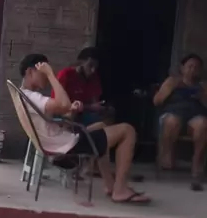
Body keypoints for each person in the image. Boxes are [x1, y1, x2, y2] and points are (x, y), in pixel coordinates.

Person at [20, 53, 150, 204]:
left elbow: (59, 114)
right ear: (30, 72)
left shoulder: (26, 96)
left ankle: (110, 185)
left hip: (61, 139)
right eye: (43, 72)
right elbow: (62, 104)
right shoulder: (33, 97)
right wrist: (51, 75)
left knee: (100, 126)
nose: (46, 76)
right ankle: (120, 190)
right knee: (128, 130)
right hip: (65, 146)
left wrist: (71, 110)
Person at [154, 53, 207, 191]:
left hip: (194, 118)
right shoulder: (172, 81)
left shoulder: (203, 86)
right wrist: (170, 89)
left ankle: (197, 161)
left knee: (203, 123)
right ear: (182, 68)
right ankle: (167, 156)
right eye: (190, 66)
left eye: (196, 67)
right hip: (172, 115)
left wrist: (202, 97)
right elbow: (156, 101)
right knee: (173, 121)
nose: (192, 70)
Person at [56, 46, 113, 128]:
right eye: (90, 65)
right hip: (67, 113)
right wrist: (89, 107)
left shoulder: (94, 78)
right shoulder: (66, 75)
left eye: (95, 67)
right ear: (80, 63)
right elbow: (59, 104)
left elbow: (94, 102)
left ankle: (86, 134)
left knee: (108, 116)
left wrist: (103, 108)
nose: (93, 70)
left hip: (83, 114)